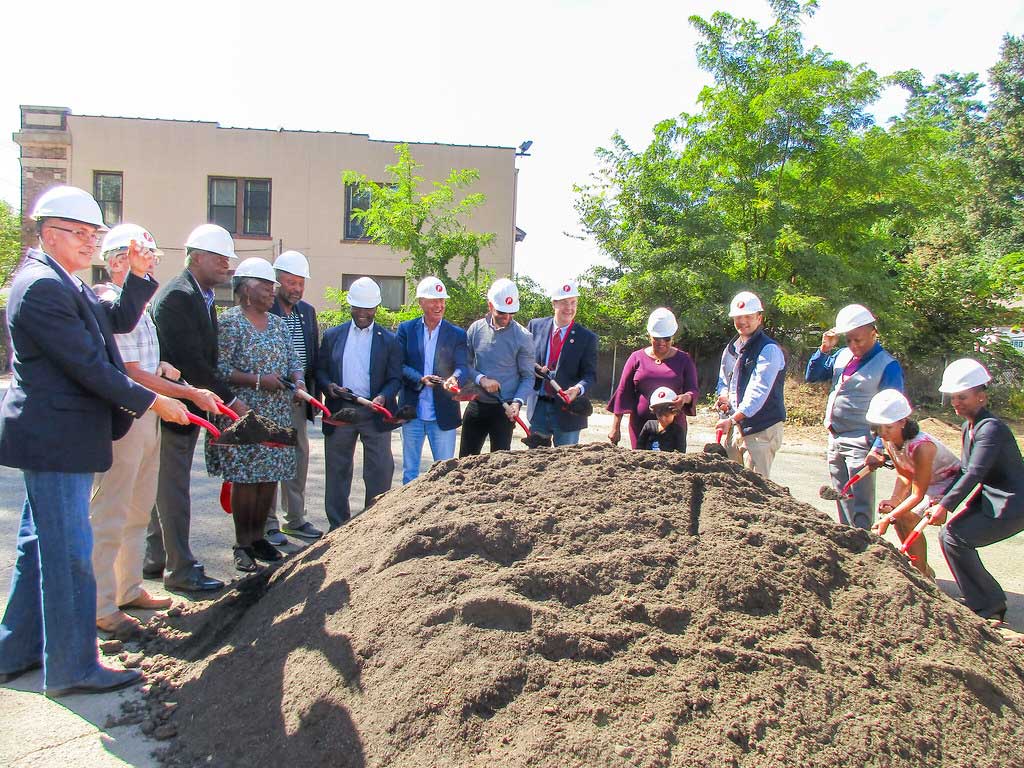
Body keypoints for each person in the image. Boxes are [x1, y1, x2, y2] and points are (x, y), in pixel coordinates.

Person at [0, 186, 190, 697]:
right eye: (78, 234)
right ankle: (72, 666)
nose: (88, 243)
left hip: (59, 438)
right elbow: (89, 366)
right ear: (47, 232)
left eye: (93, 235)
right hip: (55, 438)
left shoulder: (68, 283)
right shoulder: (42, 287)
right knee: (69, 552)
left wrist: (139, 276)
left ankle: (14, 651)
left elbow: (116, 323)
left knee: (39, 545)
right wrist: (154, 401)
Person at [90, 225, 222, 636]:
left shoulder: (137, 307)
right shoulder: (110, 302)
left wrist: (165, 370)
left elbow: (145, 364)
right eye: (143, 256)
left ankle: (129, 588)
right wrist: (188, 392)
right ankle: (100, 603)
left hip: (146, 417)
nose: (151, 263)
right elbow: (130, 373)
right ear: (117, 260)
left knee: (137, 507)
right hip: (124, 418)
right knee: (112, 510)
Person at [146, 223, 244, 593]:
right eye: (220, 259)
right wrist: (231, 400)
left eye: (228, 260)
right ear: (197, 257)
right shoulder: (177, 297)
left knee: (167, 488)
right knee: (173, 491)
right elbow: (192, 363)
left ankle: (157, 556)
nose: (227, 266)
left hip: (186, 407)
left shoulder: (199, 296)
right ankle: (180, 569)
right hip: (173, 409)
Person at [206, 258, 304, 572]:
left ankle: (260, 539)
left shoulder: (277, 323)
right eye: (266, 287)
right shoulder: (230, 323)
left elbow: (293, 359)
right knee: (245, 480)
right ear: (247, 290)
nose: (272, 292)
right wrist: (260, 381)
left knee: (269, 477)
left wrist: (298, 382)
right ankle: (243, 544)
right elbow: (219, 369)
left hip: (277, 412)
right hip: (243, 412)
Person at [923, 359, 1024, 622]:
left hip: (1013, 505)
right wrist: (938, 498)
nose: (957, 402)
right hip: (994, 501)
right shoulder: (970, 426)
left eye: (963, 397)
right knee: (950, 537)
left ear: (981, 396)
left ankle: (990, 604)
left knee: (956, 537)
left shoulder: (990, 429)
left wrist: (946, 506)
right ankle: (983, 602)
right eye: (954, 397)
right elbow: (962, 470)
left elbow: (974, 473)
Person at [805, 303, 903, 530]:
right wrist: (824, 350)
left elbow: (893, 411)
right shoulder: (842, 356)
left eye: (858, 339)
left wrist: (879, 447)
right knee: (842, 497)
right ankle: (848, 541)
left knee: (860, 503)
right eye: (848, 340)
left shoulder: (888, 366)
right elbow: (813, 375)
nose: (853, 345)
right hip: (835, 437)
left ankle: (864, 545)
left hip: (862, 440)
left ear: (873, 333)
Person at [315, 277, 402, 530]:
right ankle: (337, 527)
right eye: (359, 308)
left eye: (369, 308)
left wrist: (383, 396)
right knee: (337, 470)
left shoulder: (389, 340)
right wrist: (328, 385)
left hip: (374, 413)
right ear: (350, 306)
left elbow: (395, 378)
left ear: (376, 308)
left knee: (379, 472)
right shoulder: (333, 336)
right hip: (341, 410)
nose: (363, 313)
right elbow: (320, 370)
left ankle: (371, 527)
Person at [866, 389, 960, 579]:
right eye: (879, 427)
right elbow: (904, 476)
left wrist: (889, 517)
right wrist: (894, 502)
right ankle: (921, 567)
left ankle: (922, 574)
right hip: (925, 482)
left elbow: (918, 494)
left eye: (888, 427)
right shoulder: (887, 440)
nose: (883, 433)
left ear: (903, 421)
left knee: (907, 517)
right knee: (899, 516)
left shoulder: (922, 447)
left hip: (947, 483)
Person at [263, 250, 323, 544]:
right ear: (277, 283)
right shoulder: (264, 308)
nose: (296, 288)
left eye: (300, 283)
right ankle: (268, 523)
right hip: (270, 397)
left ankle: (295, 519)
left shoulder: (307, 312)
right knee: (272, 456)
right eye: (290, 282)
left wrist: (311, 392)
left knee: (298, 457)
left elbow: (312, 354)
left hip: (299, 397)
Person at [396, 277, 469, 483]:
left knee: (445, 472)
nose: (439, 305)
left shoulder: (456, 334)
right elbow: (398, 365)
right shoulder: (406, 330)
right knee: (410, 473)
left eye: (442, 300)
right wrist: (420, 378)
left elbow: (463, 366)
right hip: (413, 412)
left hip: (443, 414)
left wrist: (454, 379)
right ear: (421, 302)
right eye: (434, 300)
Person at [714, 291, 787, 478]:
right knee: (732, 486)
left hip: (760, 429)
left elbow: (758, 391)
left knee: (756, 490)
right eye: (738, 317)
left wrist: (732, 419)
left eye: (748, 316)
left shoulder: (768, 350)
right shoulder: (732, 349)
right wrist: (724, 397)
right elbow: (724, 380)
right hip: (736, 426)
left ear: (759, 318)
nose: (743, 321)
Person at [459, 278, 535, 456]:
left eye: (511, 313)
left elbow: (528, 376)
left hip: (504, 411)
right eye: (501, 312)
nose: (506, 318)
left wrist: (517, 402)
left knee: (499, 465)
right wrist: (481, 379)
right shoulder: (476, 329)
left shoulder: (523, 337)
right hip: (477, 405)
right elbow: (466, 364)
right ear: (490, 305)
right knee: (464, 462)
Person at [608, 308, 699, 450]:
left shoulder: (684, 360)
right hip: (641, 425)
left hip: (673, 426)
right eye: (657, 338)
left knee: (673, 467)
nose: (662, 342)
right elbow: (622, 391)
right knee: (640, 466)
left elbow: (692, 389)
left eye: (667, 338)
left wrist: (685, 398)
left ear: (673, 336)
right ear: (649, 335)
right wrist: (615, 426)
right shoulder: (636, 358)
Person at [525, 280, 598, 447]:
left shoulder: (586, 338)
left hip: (568, 412)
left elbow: (590, 375)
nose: (569, 308)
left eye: (573, 303)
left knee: (565, 466)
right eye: (564, 302)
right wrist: (533, 369)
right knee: (535, 464)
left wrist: (578, 389)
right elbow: (524, 359)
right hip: (538, 408)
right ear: (554, 303)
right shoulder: (535, 326)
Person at [637, 387, 687, 452]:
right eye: (659, 415)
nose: (663, 419)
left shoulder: (678, 431)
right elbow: (639, 447)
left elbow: (680, 453)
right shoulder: (649, 426)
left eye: (666, 415)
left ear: (675, 412)